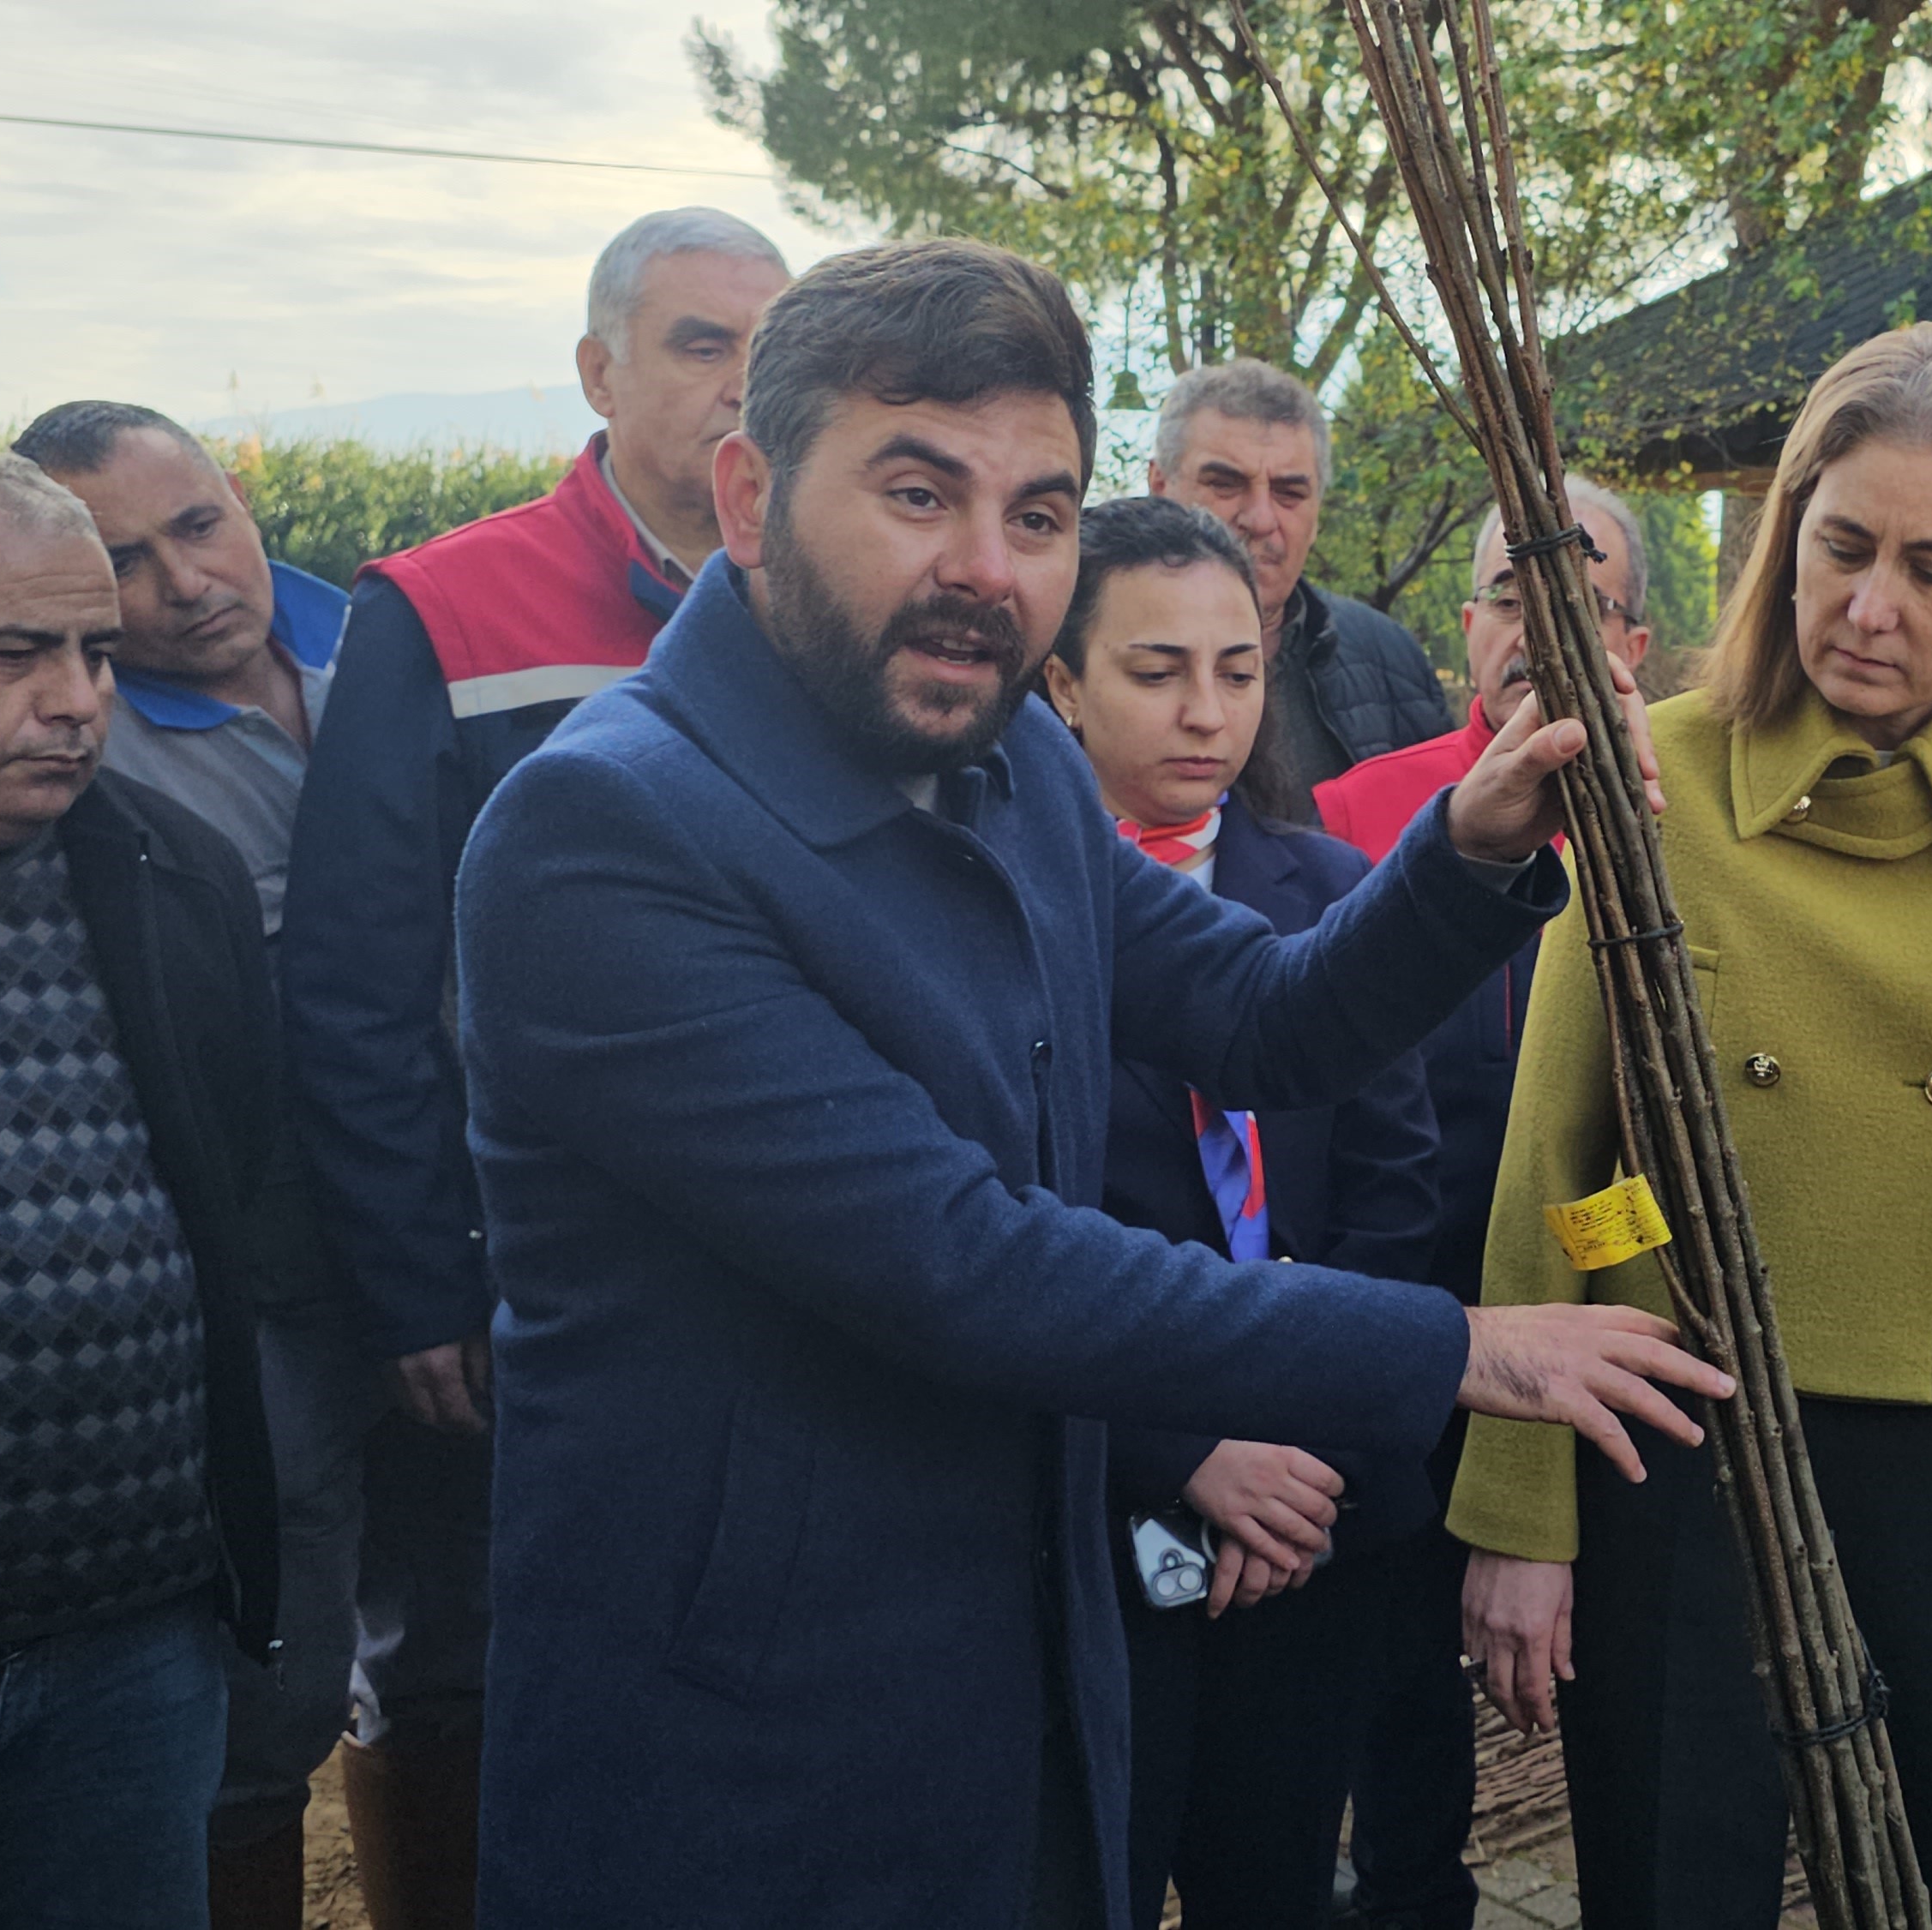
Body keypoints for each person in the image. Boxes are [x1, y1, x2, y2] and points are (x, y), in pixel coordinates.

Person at [451, 236, 1731, 1927]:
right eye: (917, 492)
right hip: (749, 1750)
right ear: (750, 495)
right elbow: (964, 1260)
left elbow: (1262, 1020)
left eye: (1038, 514)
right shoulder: (604, 835)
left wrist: (1467, 849)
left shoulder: (1005, 772)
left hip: (1032, 1675)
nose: (986, 569)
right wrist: (1456, 1343)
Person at [1452, 322, 1932, 1930]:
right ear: (1785, 528)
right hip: (1679, 1443)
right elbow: (1570, 1173)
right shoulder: (1643, 776)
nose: (1871, 609)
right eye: (1842, 546)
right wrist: (1527, 1514)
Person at [275, 205, 787, 1927]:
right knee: (461, 1673)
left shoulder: (815, 597)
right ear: (597, 369)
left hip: (764, 1252)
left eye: (765, 349)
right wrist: (415, 1280)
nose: (737, 385)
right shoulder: (444, 605)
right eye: (698, 342)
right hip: (512, 1278)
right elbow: (354, 979)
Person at [0, 454, 281, 1927]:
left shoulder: (166, 871)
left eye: (93, 650)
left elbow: (235, 1181)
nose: (81, 695)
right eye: (14, 653)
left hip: (127, 1650)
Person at [1038, 494, 1449, 1927]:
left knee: (1271, 1876)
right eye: (1156, 671)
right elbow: (1003, 1233)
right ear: (1062, 680)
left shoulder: (1332, 891)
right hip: (1094, 1510)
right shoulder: (1012, 918)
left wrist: (1298, 1449)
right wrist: (1186, 1446)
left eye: (1238, 667)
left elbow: (1400, 1193)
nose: (1204, 711)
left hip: (1314, 1516)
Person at [12, 400, 353, 1930]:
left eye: (199, 525)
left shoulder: (391, 643)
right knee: (261, 1703)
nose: (184, 583)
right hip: (270, 1269)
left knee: (474, 1645)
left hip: (470, 1237)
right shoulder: (89, 762)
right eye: (123, 565)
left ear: (242, 494)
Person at [1313, 477, 1654, 1930]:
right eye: (1513, 596)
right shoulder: (1358, 814)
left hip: (1603, 1314)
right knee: (1397, 1698)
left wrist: (1581, 1256)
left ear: (1634, 643)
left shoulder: (1673, 821)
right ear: (1464, 631)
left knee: (1622, 1687)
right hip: (1409, 1312)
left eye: (1581, 598)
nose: (1540, 630)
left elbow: (1679, 1145)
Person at [1149, 359, 1454, 794]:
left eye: (1289, 493)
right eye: (1225, 484)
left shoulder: (1393, 663)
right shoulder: (1072, 651)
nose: (1260, 519)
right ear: (1159, 487)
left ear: (1318, 515)